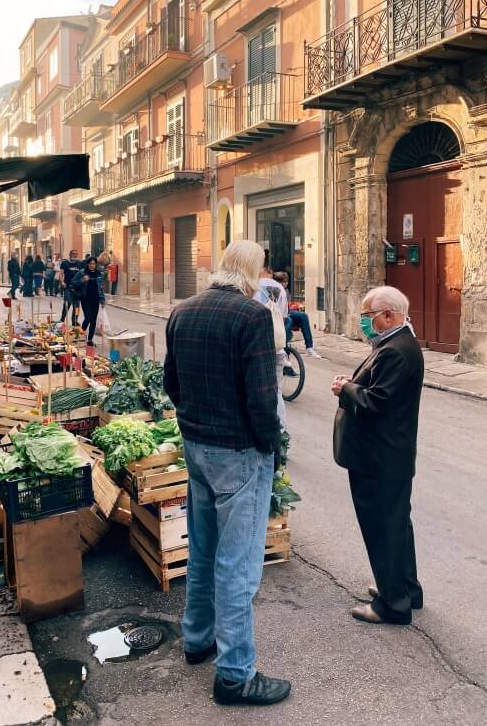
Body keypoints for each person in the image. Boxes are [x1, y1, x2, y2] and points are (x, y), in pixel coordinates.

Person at [163, 240, 290, 707]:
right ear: (253, 274)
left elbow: (170, 384)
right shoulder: (251, 316)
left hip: (196, 447)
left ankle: (197, 639)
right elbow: (261, 399)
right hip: (238, 452)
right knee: (238, 564)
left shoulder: (183, 310)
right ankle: (235, 675)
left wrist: (195, 423)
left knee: (203, 549)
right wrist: (270, 445)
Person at [332, 286, 424, 626]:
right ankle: (404, 589)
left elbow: (377, 403)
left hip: (379, 457)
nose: (364, 322)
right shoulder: (397, 344)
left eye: (368, 316)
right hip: (389, 455)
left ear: (388, 315)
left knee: (382, 527)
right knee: (397, 525)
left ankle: (392, 604)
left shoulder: (396, 351)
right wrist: (354, 385)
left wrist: (347, 388)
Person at [254, 267, 289, 430]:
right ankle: (281, 433)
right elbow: (283, 316)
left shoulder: (251, 286)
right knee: (276, 391)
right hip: (277, 348)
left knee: (256, 391)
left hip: (258, 346)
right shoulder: (280, 288)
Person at [275, 271, 321, 359]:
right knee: (289, 320)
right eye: (283, 282)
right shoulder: (274, 291)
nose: (285, 284)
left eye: (286, 282)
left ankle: (309, 347)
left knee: (303, 316)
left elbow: (286, 307)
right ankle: (283, 344)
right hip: (278, 314)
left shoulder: (285, 291)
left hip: (286, 311)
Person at [74, 257, 106, 347]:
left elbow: (101, 288)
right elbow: (74, 282)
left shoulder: (98, 274)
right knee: (88, 318)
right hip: (85, 299)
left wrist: (103, 300)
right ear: (87, 264)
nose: (92, 265)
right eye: (90, 264)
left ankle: (90, 340)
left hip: (96, 299)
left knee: (93, 320)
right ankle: (79, 335)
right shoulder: (82, 272)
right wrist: (82, 280)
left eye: (94, 264)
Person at [59, 250, 81, 325]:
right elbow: (61, 273)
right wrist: (62, 282)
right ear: (70, 254)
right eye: (73, 254)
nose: (75, 255)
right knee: (67, 303)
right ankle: (62, 318)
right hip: (68, 287)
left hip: (77, 288)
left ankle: (74, 321)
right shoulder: (65, 263)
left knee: (77, 306)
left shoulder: (79, 263)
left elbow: (83, 273)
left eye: (76, 254)